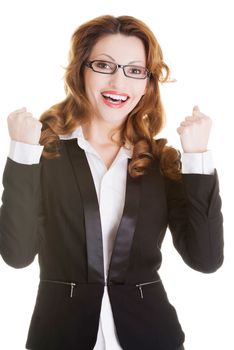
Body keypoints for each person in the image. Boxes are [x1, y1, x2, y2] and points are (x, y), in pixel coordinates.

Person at [0, 15, 223, 350]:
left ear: (147, 83)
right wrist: (21, 152)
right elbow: (17, 255)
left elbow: (206, 260)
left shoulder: (161, 162)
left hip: (152, 338)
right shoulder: (45, 155)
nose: (119, 82)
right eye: (104, 65)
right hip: (59, 339)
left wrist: (198, 156)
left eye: (134, 70)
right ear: (80, 71)